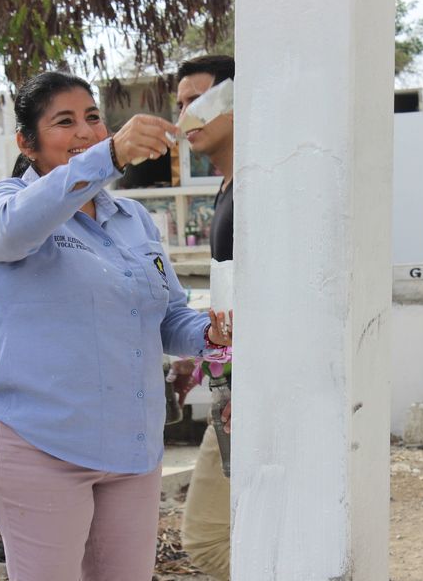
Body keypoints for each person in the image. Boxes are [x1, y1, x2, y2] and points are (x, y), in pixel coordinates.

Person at [0, 70, 231, 581]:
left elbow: (167, 317)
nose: (86, 131)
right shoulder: (6, 207)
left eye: (92, 117)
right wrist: (107, 156)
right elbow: (11, 233)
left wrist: (208, 334)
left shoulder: (132, 219)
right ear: (26, 142)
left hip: (131, 449)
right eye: (64, 121)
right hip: (42, 445)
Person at [174, 54, 235, 581]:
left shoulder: (257, 187)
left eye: (197, 100)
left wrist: (239, 384)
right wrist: (203, 364)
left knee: (208, 540)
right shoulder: (228, 187)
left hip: (250, 393)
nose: (185, 116)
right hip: (233, 386)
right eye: (180, 104)